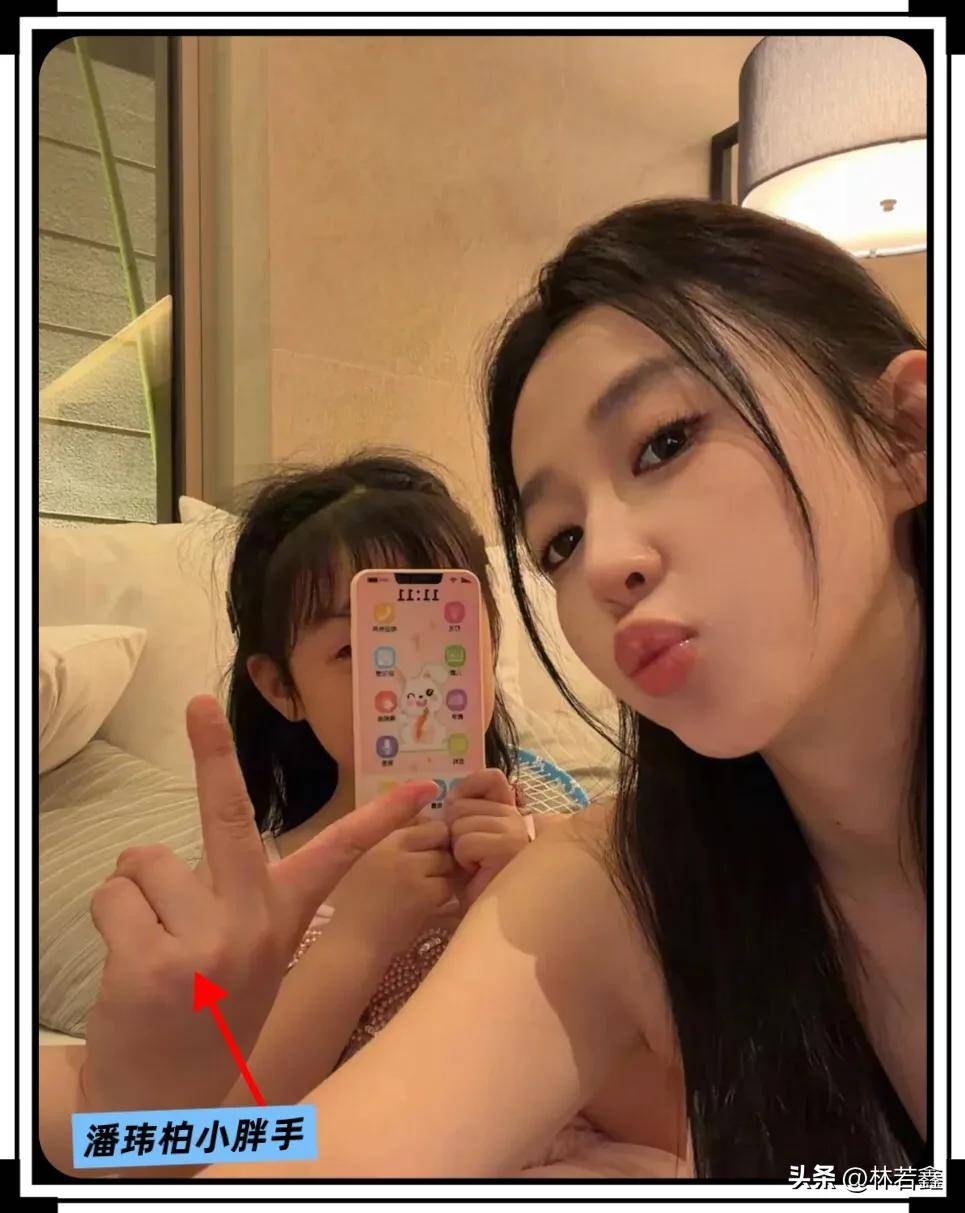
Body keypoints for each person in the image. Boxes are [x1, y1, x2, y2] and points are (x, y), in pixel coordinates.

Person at [42, 198, 929, 1179]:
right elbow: (236, 1144)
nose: (603, 565)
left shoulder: (557, 835)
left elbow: (683, 1135)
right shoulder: (582, 883)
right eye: (559, 540)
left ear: (906, 430)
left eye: (664, 442)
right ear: (278, 686)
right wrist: (142, 1112)